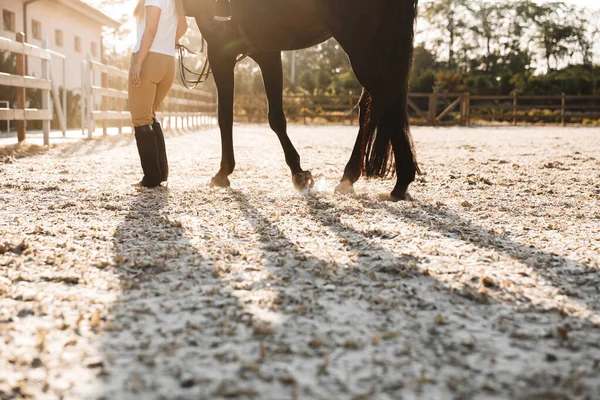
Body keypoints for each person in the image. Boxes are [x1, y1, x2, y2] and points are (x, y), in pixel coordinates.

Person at [129, 0, 188, 188]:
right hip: (168, 61)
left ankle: (151, 177)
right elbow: (183, 27)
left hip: (149, 59)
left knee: (141, 118)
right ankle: (161, 173)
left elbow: (150, 30)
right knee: (150, 115)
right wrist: (166, 43)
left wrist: (138, 62)